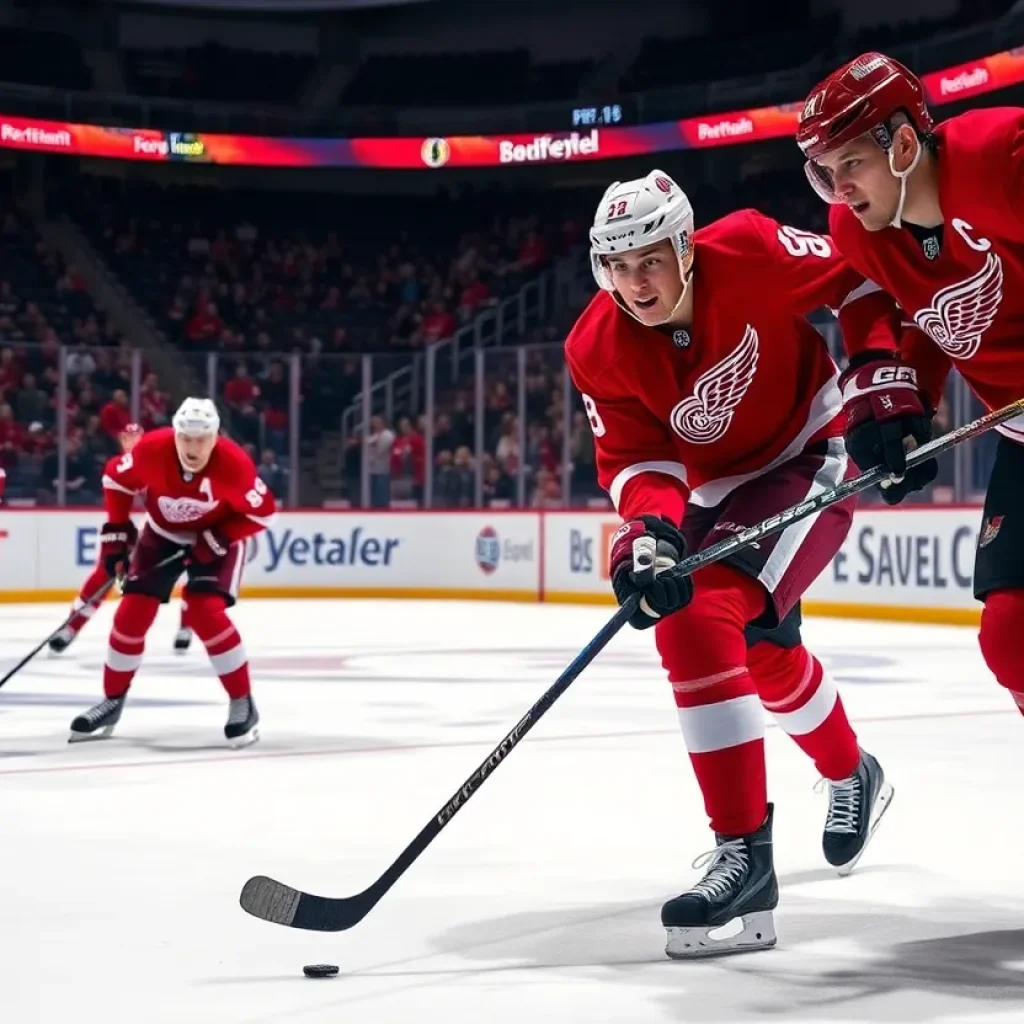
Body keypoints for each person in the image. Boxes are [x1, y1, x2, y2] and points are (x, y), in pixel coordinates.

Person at [564, 169, 897, 959]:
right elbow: (639, 458)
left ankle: (745, 857)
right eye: (618, 265)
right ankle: (855, 772)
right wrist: (648, 537)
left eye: (650, 260)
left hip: (808, 451)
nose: (635, 283)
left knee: (698, 617)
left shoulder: (747, 247)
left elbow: (857, 270)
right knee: (763, 654)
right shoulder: (594, 346)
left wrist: (883, 379)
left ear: (685, 247)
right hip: (713, 493)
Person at [796, 55, 1024, 723]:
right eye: (825, 174)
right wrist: (906, 402)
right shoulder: (857, 232)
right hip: (1019, 433)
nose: (840, 189)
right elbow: (933, 310)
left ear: (900, 145)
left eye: (850, 165)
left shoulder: (997, 156)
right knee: (1011, 639)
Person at [69, 397, 275, 747]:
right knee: (132, 613)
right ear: (176, 434)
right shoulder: (151, 449)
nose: (192, 447)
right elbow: (116, 479)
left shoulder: (235, 465)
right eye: (186, 438)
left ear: (215, 437)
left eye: (201, 439)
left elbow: (263, 513)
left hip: (219, 536)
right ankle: (112, 700)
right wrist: (116, 537)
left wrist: (216, 538)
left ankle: (243, 702)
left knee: (204, 610)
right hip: (162, 532)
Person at [48, 424, 194, 655]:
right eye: (128, 436)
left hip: (182, 517)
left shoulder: (166, 458)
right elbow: (117, 518)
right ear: (121, 439)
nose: (134, 440)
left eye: (138, 435)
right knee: (106, 569)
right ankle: (71, 626)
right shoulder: (118, 469)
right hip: (155, 521)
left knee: (195, 566)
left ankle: (186, 626)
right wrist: (118, 548)